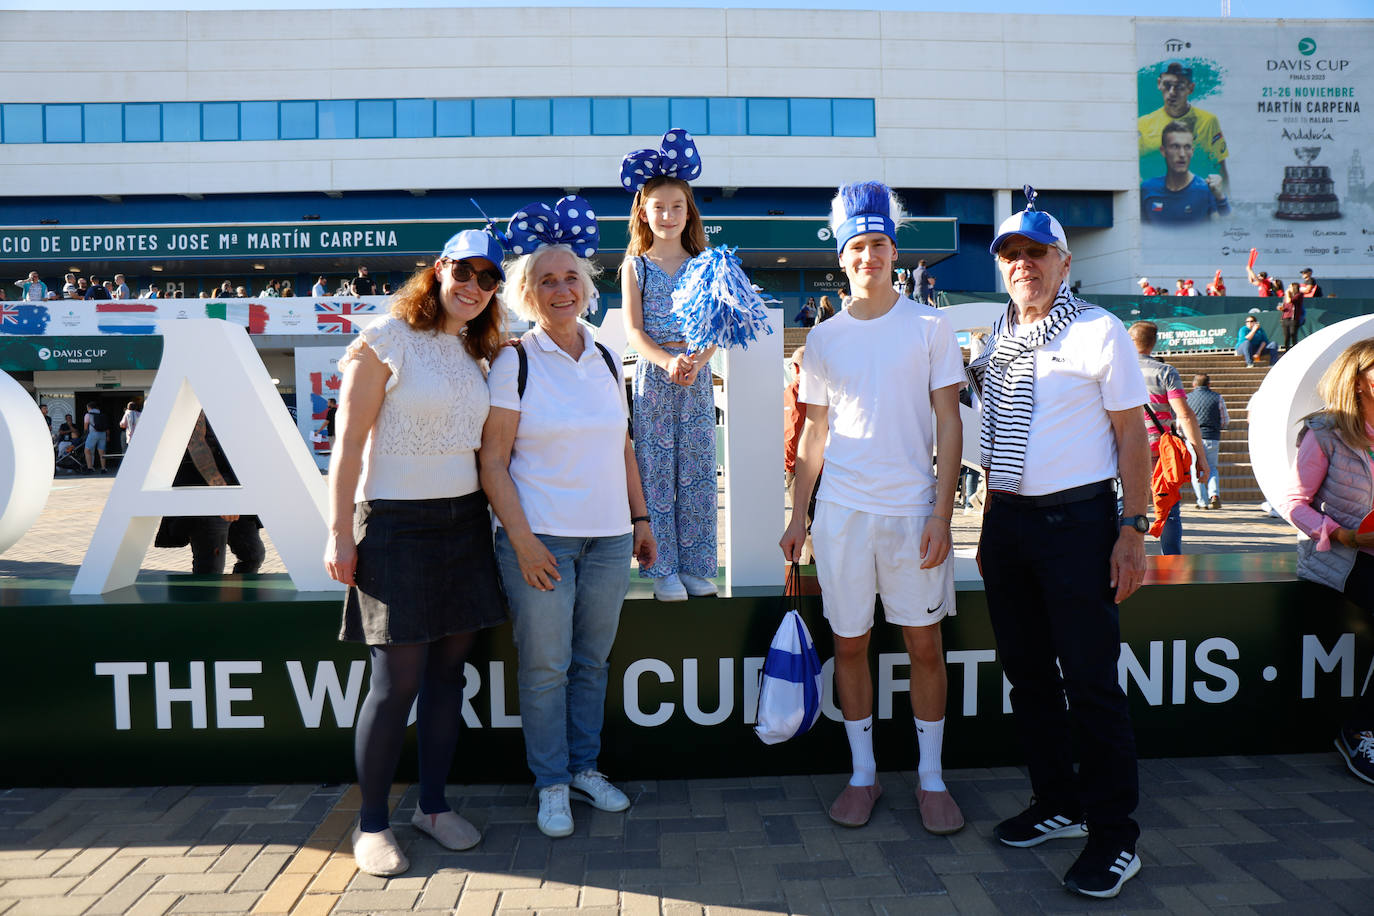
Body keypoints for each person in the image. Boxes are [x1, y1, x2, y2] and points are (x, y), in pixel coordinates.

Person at [968, 189, 1149, 898]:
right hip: (1008, 522)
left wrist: (1133, 527)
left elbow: (1132, 433)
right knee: (1029, 676)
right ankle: (1059, 803)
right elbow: (989, 443)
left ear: (1063, 262)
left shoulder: (1098, 329)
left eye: (1036, 253)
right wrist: (988, 524)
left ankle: (1116, 837)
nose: (1023, 266)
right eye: (1011, 255)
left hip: (1078, 525)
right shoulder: (997, 337)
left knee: (1092, 685)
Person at [781, 180, 966, 837]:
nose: (869, 256)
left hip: (914, 510)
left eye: (879, 244)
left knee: (924, 645)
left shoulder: (930, 325)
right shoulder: (825, 338)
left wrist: (942, 514)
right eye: (857, 246)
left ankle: (932, 779)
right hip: (842, 515)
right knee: (850, 645)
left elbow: (950, 423)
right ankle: (863, 775)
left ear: (894, 251)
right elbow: (814, 433)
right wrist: (798, 513)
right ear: (842, 256)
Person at [324, 228, 510, 876]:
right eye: (466, 272)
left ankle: (432, 806)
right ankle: (372, 824)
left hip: (464, 525)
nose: (475, 287)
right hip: (396, 528)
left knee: (447, 680)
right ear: (438, 270)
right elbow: (347, 448)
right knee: (396, 681)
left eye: (490, 280)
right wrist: (340, 531)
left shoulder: (475, 348)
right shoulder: (384, 338)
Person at [479, 201, 655, 839]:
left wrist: (640, 519)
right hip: (542, 540)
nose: (561, 288)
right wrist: (521, 542)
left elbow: (624, 446)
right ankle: (550, 782)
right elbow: (493, 463)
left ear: (587, 286)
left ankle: (584, 769)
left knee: (591, 663)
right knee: (547, 666)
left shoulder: (608, 358)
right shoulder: (514, 360)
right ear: (527, 293)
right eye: (547, 280)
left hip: (609, 539)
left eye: (571, 278)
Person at [618, 129, 718, 602]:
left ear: (689, 211)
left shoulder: (706, 262)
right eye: (659, 206)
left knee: (697, 468)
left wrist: (700, 360)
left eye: (677, 206)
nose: (668, 215)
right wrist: (666, 361)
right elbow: (634, 331)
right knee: (654, 469)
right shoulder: (634, 266)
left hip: (696, 377)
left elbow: (718, 325)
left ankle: (698, 565)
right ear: (644, 211)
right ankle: (663, 570)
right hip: (653, 376)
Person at [1280, 339, 1374, 784]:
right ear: (1358, 381)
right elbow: (1295, 504)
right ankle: (1359, 731)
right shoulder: (1324, 432)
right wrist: (1342, 533)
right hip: (1340, 556)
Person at [1130, 321, 1209, 555]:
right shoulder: (1165, 372)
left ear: (1130, 340)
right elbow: (1184, 414)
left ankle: (1124, 560)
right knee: (1168, 507)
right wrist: (1200, 457)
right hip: (1159, 450)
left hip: (1124, 448)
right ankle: (1172, 563)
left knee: (1124, 507)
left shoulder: (1116, 370)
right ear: (1153, 344)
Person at [154, 411, 266, 574]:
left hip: (235, 487)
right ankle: (207, 597)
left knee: (253, 555)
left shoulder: (234, 397)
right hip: (206, 489)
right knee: (210, 566)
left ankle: (238, 596)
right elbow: (195, 442)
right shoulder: (197, 397)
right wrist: (221, 494)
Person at [1138, 60, 1229, 195]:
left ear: (1190, 88)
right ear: (1159, 84)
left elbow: (1220, 170)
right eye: (1167, 85)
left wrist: (1226, 205)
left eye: (1179, 86)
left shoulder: (1208, 121)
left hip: (1198, 205)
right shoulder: (1143, 124)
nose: (1172, 92)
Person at [1140, 122, 1229, 225]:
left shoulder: (1206, 190)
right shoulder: (1147, 190)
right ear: (1163, 151)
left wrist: (1221, 198)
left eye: (1187, 147)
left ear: (1192, 151)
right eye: (1175, 147)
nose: (1182, 154)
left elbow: (1227, 228)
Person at [82, 401, 108, 474]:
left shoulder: (88, 415)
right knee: (102, 451)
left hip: (93, 433)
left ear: (89, 407)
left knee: (87, 450)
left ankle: (90, 467)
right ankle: (103, 468)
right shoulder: (101, 414)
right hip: (103, 433)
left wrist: (84, 434)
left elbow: (86, 427)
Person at [1279, 282, 1304, 350]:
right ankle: (1286, 350)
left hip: (1293, 318)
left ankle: (1294, 350)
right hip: (1285, 318)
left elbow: (1290, 301)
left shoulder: (1299, 295)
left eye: (1290, 287)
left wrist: (1287, 293)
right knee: (1286, 336)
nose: (1288, 288)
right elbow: (1286, 305)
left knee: (1293, 334)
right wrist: (1281, 308)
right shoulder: (1286, 296)